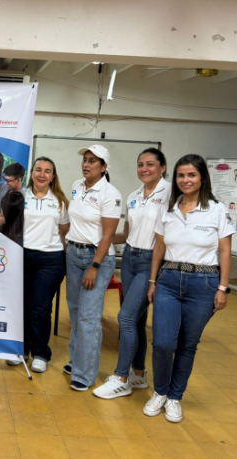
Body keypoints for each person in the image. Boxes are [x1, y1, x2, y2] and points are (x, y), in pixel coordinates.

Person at [143, 154, 234, 423]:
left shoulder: (216, 209)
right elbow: (159, 247)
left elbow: (225, 251)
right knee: (162, 343)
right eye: (181, 175)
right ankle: (160, 392)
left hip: (203, 283)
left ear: (202, 178)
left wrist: (222, 288)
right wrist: (152, 281)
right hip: (168, 280)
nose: (185, 180)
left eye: (191, 175)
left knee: (187, 344)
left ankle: (174, 397)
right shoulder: (168, 209)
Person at [93, 148, 171, 399]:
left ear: (162, 168)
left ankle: (121, 378)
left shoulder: (171, 193)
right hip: (129, 258)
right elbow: (126, 234)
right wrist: (95, 238)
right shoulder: (133, 196)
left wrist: (155, 274)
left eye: (150, 164)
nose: (144, 169)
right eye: (140, 164)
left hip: (151, 260)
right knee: (136, 320)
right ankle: (139, 373)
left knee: (125, 317)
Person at [65, 145, 122, 391]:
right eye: (85, 160)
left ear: (104, 167)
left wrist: (94, 266)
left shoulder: (110, 193)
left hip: (96, 257)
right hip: (73, 253)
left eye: (92, 161)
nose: (86, 165)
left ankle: (85, 373)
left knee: (88, 316)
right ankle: (76, 359)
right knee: (75, 310)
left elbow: (108, 235)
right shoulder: (77, 186)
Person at [10, 157, 69, 373]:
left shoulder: (60, 200)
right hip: (22, 256)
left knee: (40, 308)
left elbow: (64, 230)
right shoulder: (20, 196)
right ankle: (21, 350)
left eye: (47, 171)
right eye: (38, 170)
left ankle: (40, 354)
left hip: (50, 261)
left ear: (53, 176)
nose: (42, 174)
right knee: (21, 306)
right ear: (31, 173)